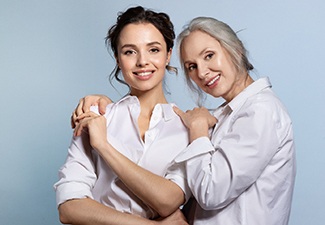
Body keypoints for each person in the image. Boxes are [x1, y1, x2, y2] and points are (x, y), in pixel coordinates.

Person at [74, 16, 296, 225]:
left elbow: (211, 193)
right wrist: (110, 107)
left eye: (209, 55)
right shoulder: (220, 116)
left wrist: (197, 129)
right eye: (191, 66)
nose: (203, 72)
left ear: (235, 49)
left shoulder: (261, 111)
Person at [54, 6, 190, 225]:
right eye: (129, 51)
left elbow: (169, 201)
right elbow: (69, 207)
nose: (142, 61)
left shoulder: (188, 128)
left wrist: (103, 145)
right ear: (118, 59)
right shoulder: (95, 117)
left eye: (153, 49)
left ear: (168, 54)